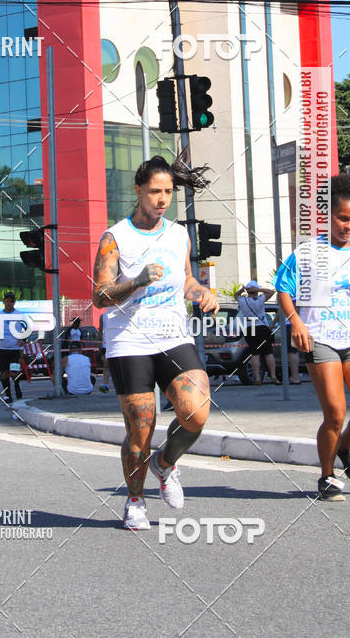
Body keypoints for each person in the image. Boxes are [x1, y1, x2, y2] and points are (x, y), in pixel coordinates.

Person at [92, 153, 219, 530]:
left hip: (172, 335)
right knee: (141, 428)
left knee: (196, 411)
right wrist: (137, 281)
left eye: (168, 192)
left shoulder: (179, 234)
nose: (162, 199)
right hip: (129, 341)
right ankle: (135, 500)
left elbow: (186, 280)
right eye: (154, 192)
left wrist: (201, 292)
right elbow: (100, 296)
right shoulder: (116, 237)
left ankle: (165, 465)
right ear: (138, 191)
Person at [275, 174, 350, 501]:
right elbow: (283, 289)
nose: (349, 226)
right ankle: (326, 477)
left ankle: (345, 446)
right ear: (330, 215)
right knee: (336, 412)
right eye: (343, 218)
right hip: (320, 338)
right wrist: (295, 321)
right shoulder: (309, 251)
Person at [234, 280, 277, 385]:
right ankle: (273, 376)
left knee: (254, 354)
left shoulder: (242, 300)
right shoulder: (260, 299)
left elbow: (236, 295)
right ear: (256, 290)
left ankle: (257, 378)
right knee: (268, 353)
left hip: (249, 328)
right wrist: (259, 289)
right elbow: (271, 292)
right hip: (262, 327)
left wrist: (242, 289)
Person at [0, 292, 25, 403]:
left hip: (15, 350)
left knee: (14, 372)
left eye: (11, 301)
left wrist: (23, 339)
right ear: (4, 302)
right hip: (2, 349)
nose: (9, 303)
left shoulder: (19, 315)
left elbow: (26, 329)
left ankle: (17, 387)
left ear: (14, 303)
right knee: (4, 374)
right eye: (7, 301)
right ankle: (8, 395)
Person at [97, 313, 110, 393]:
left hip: (116, 343)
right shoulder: (103, 316)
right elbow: (100, 331)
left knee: (117, 366)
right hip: (106, 344)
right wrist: (100, 345)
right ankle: (105, 385)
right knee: (106, 366)